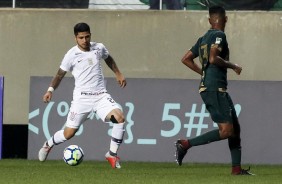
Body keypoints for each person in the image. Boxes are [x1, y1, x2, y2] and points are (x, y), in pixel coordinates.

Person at [175, 6, 254, 175]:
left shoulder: (203, 38)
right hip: (214, 88)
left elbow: (186, 59)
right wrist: (234, 66)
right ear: (225, 19)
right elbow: (213, 58)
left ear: (210, 20)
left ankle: (236, 169)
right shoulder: (220, 35)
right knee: (227, 131)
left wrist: (203, 72)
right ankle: (185, 144)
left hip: (214, 88)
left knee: (235, 128)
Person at [38, 22, 127, 169]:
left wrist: (118, 73)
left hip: (100, 97)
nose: (84, 40)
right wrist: (50, 90)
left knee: (119, 118)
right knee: (69, 133)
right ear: (75, 38)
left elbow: (108, 58)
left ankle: (111, 154)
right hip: (81, 100)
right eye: (81, 38)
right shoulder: (71, 55)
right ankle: (48, 144)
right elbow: (60, 75)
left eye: (87, 37)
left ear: (90, 35)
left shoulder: (98, 48)